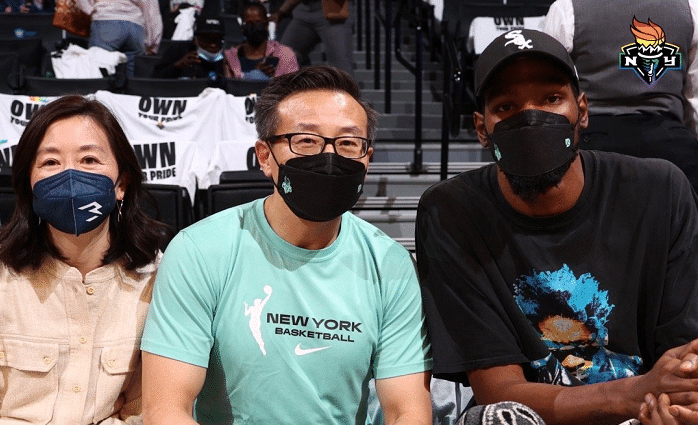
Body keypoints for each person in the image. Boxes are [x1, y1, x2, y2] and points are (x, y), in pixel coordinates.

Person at [416, 29, 698, 425]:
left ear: (582, 110)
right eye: (506, 106)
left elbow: (683, 361)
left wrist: (671, 403)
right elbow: (499, 393)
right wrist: (634, 394)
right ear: (481, 128)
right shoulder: (451, 212)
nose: (531, 117)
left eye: (551, 98)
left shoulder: (660, 190)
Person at [140, 65, 432, 424]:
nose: (329, 157)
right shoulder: (199, 250)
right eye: (306, 140)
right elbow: (166, 409)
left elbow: (407, 411)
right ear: (265, 156)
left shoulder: (390, 264)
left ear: (367, 158)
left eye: (348, 143)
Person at [0, 95, 168, 423]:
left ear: (121, 183)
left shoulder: (159, 279)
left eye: (89, 160)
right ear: (29, 184)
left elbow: (148, 410)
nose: (70, 177)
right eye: (50, 162)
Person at [542, 0, 698, 194]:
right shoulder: (688, 9)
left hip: (592, 142)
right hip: (670, 142)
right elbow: (694, 100)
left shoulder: (567, 8)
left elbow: (548, 93)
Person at [77, 0, 163, 78]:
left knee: (99, 72)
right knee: (131, 81)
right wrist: (153, 43)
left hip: (106, 20)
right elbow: (152, 10)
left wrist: (89, 9)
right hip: (135, 26)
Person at [271, 0, 354, 79]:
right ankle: (288, 88)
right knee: (282, 57)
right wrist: (280, 12)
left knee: (341, 67)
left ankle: (347, 88)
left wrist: (282, 10)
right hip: (303, 10)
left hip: (332, 9)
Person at [223, 1, 298, 80]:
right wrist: (254, 74)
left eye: (258, 22)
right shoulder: (231, 57)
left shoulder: (285, 55)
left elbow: (294, 85)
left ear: (266, 24)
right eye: (249, 23)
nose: (254, 27)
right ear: (242, 27)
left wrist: (275, 79)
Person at [153, 13, 226, 83]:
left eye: (217, 40)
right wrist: (177, 66)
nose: (213, 45)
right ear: (195, 40)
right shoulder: (178, 50)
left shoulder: (227, 59)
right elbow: (154, 81)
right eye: (207, 40)